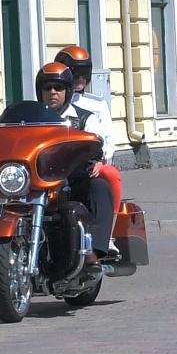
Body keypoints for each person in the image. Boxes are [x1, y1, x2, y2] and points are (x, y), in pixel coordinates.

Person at [35, 63, 114, 269]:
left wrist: (95, 151)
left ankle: (93, 252)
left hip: (73, 181)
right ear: (40, 91)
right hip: (36, 181)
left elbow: (98, 140)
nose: (53, 92)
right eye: (47, 87)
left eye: (58, 87)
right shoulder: (29, 119)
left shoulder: (84, 118)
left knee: (100, 188)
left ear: (68, 90)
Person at [55, 47, 122, 238]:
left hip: (89, 163)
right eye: (75, 73)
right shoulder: (52, 101)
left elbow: (108, 141)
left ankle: (109, 232)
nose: (80, 78)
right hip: (56, 164)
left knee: (110, 174)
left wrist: (101, 161)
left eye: (84, 73)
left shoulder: (97, 104)